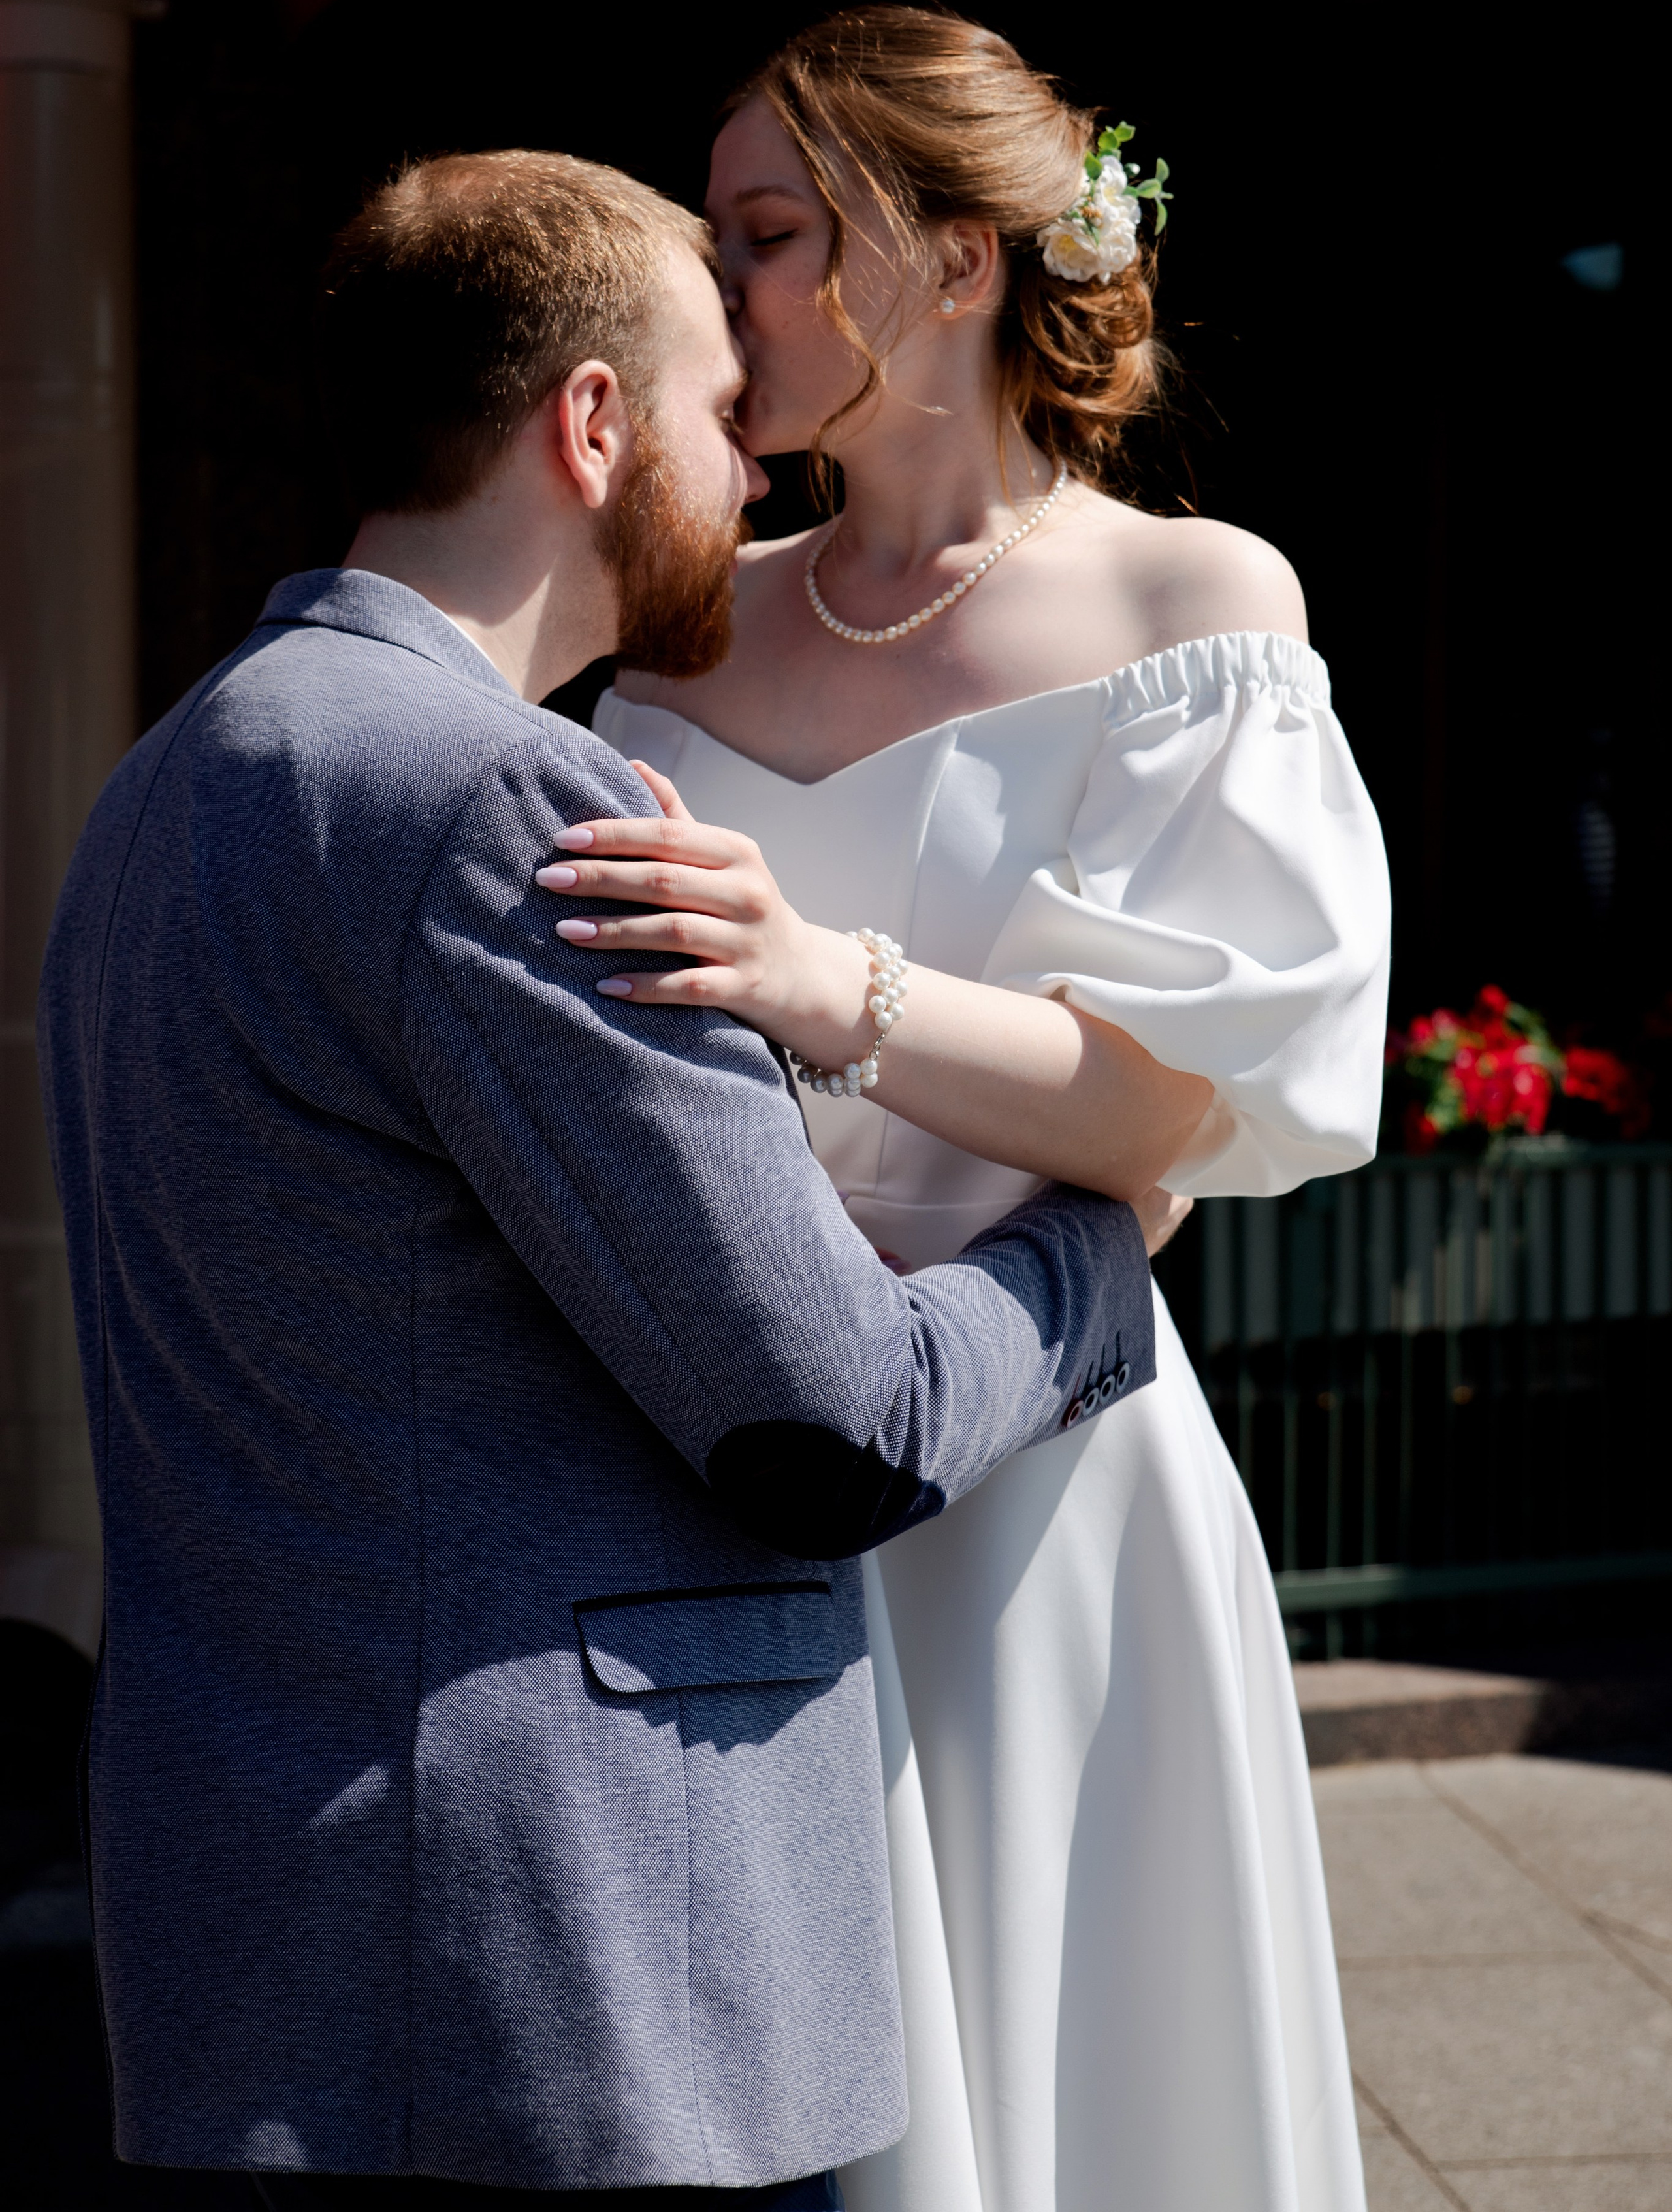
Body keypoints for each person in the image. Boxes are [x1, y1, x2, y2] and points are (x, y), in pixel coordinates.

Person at [35, 149, 1174, 2207]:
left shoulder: (163, 782)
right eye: (726, 418)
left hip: (269, 1960)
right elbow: (838, 1422)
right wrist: (1105, 1247)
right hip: (560, 2001)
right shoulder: (494, 798)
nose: (756, 478)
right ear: (587, 425)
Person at [554, 9, 1392, 2212]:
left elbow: (1195, 1113)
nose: (715, 296)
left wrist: (822, 982)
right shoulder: (674, 629)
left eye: (764, 234)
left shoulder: (1191, 606)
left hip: (1045, 1485)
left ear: (949, 255)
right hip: (715, 1480)